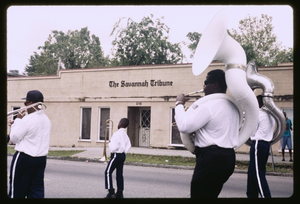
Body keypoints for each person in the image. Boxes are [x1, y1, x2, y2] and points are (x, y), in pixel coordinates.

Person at [175, 69, 239, 198]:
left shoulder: (208, 105)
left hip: (211, 158)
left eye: (205, 83)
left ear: (215, 85)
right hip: (228, 157)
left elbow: (184, 126)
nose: (203, 87)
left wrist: (179, 104)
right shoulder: (233, 107)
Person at [8, 90, 52, 198]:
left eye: (25, 103)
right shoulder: (46, 120)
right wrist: (17, 124)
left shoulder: (26, 119)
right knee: (36, 191)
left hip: (24, 158)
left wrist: (18, 120)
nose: (24, 106)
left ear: (30, 103)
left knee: (17, 190)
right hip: (40, 159)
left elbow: (13, 139)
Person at [246, 95, 274, 198]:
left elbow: (251, 130)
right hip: (265, 144)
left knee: (258, 174)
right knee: (252, 172)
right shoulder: (271, 115)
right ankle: (251, 196)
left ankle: (265, 196)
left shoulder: (259, 114)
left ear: (260, 103)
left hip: (258, 143)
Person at [104, 118, 131, 198]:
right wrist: (124, 151)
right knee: (119, 174)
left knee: (108, 172)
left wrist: (110, 143)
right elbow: (129, 145)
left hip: (116, 155)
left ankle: (111, 191)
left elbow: (113, 148)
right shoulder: (125, 135)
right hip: (122, 155)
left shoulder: (117, 134)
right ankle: (120, 192)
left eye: (119, 122)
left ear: (121, 124)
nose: (118, 124)